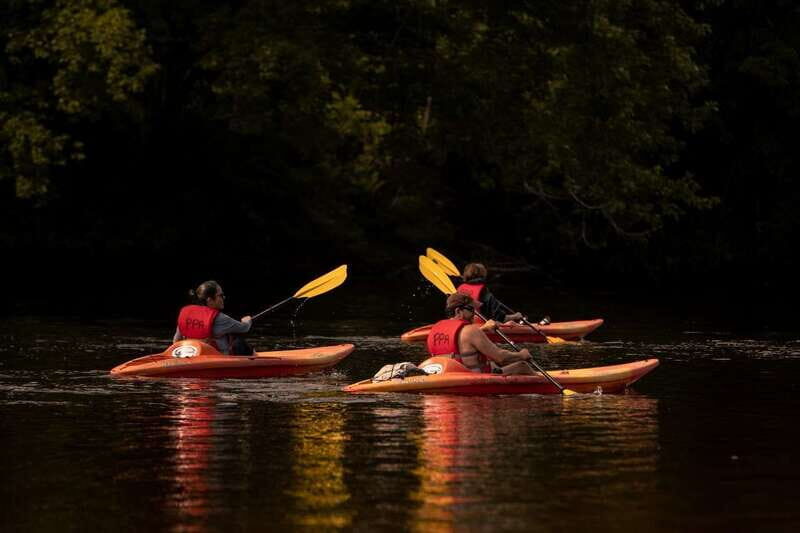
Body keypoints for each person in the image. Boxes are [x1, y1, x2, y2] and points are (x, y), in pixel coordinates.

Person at [426, 292, 534, 375]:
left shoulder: (434, 330)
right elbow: (500, 357)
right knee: (522, 366)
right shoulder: (472, 330)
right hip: (474, 378)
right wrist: (521, 355)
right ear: (458, 311)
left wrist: (483, 329)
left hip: (446, 376)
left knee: (493, 363)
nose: (475, 314)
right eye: (472, 309)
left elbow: (462, 343)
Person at [173, 280, 255, 355]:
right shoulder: (220, 318)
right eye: (220, 295)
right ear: (209, 300)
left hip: (189, 357)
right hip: (217, 358)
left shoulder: (186, 314)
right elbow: (244, 328)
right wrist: (247, 321)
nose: (223, 298)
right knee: (239, 342)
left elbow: (176, 341)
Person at [456, 262, 525, 323]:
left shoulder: (459, 289)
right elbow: (500, 318)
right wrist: (515, 316)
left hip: (459, 325)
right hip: (478, 328)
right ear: (483, 275)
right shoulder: (484, 292)